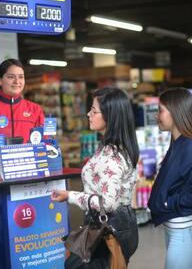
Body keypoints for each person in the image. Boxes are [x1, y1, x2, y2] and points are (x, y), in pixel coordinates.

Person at [51, 87, 139, 268]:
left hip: (108, 232)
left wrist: (70, 195)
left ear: (110, 116)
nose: (88, 114)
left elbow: (107, 204)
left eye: (94, 111)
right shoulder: (114, 146)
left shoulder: (112, 155)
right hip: (117, 227)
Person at [148, 87, 192, 269]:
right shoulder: (179, 143)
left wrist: (169, 203)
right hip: (179, 229)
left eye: (161, 110)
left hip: (187, 231)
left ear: (176, 112)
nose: (156, 116)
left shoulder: (190, 148)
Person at [0, 59, 45, 144]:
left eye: (21, 77)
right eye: (11, 77)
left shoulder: (35, 109)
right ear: (0, 81)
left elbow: (43, 142)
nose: (17, 81)